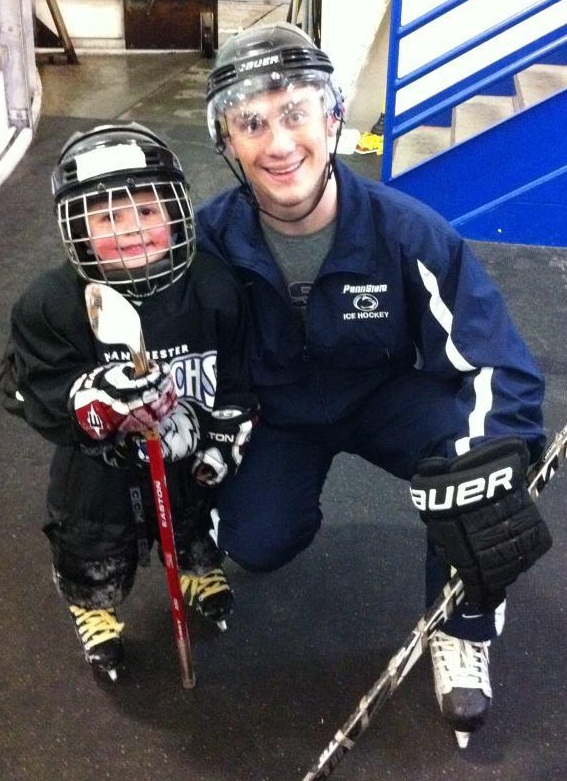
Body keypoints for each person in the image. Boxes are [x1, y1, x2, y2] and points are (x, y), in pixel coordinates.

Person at [195, 22, 552, 743]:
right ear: (226, 141)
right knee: (256, 540)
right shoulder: (211, 240)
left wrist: (491, 463)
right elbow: (178, 357)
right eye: (251, 122)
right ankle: (242, 514)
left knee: (475, 462)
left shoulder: (406, 231)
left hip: (387, 398)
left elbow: (497, 362)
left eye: (295, 112)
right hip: (280, 413)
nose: (278, 142)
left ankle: (464, 623)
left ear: (332, 118)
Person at [0, 123, 257, 680]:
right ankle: (93, 605)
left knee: (193, 517)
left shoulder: (213, 286)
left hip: (182, 453)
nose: (134, 230)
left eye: (147, 210)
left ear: (176, 210)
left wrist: (222, 428)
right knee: (92, 539)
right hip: (96, 466)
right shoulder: (51, 304)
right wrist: (88, 401)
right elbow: (28, 386)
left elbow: (240, 374)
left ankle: (196, 569)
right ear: (78, 229)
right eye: (108, 217)